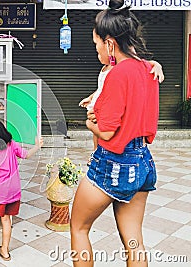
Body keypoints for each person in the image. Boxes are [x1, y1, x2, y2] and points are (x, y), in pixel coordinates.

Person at [70, 0, 160, 266]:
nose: (96, 48)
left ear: (110, 43)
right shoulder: (149, 69)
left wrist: (89, 123)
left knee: (79, 228)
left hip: (114, 161)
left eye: (96, 43)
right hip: (142, 159)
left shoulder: (117, 74)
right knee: (134, 240)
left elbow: (107, 132)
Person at [0, 117, 43, 265]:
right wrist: (37, 146)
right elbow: (26, 155)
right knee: (6, 219)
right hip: (14, 191)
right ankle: (5, 251)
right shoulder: (11, 144)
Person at [79, 58, 164, 161]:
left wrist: (157, 65)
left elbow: (144, 64)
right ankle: (95, 153)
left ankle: (99, 155)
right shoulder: (105, 67)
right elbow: (100, 87)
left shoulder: (120, 66)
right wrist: (90, 98)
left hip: (107, 104)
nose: (98, 55)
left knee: (103, 130)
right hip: (98, 102)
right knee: (97, 132)